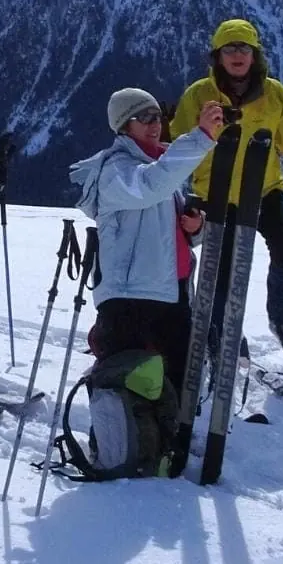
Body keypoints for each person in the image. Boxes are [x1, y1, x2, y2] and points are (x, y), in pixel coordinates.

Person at [169, 19, 283, 361]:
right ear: (217, 56)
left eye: (244, 48)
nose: (237, 55)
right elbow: (179, 144)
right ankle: (217, 331)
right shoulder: (199, 96)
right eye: (229, 49)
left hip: (263, 190)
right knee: (219, 271)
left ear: (255, 54)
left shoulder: (275, 95)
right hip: (215, 195)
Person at [70, 89, 226, 385]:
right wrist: (202, 136)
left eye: (157, 116)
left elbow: (163, 232)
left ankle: (173, 433)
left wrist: (194, 228)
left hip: (172, 292)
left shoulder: (161, 163)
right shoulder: (116, 170)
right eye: (143, 118)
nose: (154, 124)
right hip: (133, 300)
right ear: (123, 126)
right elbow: (150, 187)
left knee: (173, 389)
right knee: (130, 390)